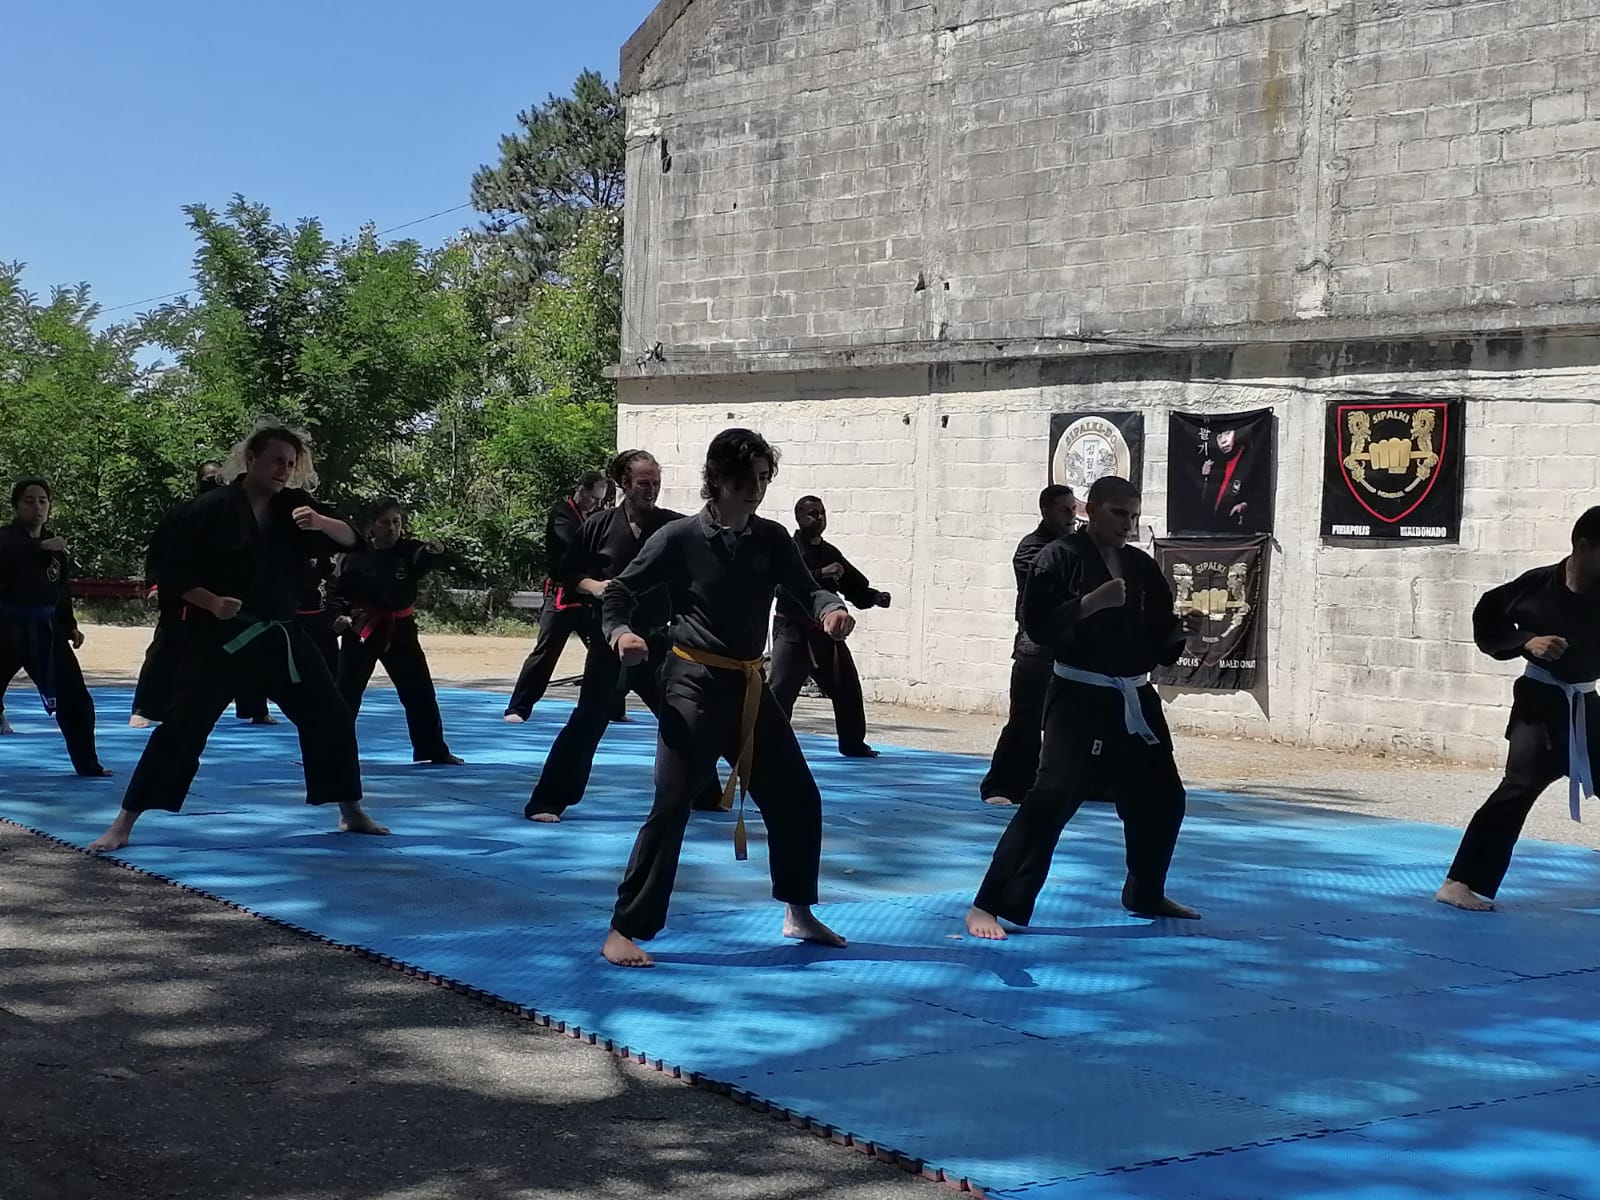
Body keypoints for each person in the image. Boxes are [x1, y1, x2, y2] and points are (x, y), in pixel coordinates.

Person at [598, 428, 854, 968]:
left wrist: (830, 608)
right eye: (745, 480)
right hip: (692, 683)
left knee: (797, 796)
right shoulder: (679, 538)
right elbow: (620, 590)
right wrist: (621, 633)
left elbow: (807, 588)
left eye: (763, 478)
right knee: (673, 803)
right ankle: (625, 928)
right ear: (716, 479)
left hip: (748, 685)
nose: (755, 490)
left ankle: (798, 912)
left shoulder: (772, 538)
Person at [88, 425, 387, 853]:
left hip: (281, 636)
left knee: (331, 715)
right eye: (276, 460)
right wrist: (210, 602)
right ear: (251, 459)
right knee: (183, 726)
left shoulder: (295, 507)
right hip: (221, 637)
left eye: (291, 463)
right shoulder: (208, 509)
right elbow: (170, 572)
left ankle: (350, 810)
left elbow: (353, 541)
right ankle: (123, 823)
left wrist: (321, 521)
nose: (284, 470)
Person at [966, 476, 1201, 940]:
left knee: (1164, 797)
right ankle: (988, 904)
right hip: (1079, 697)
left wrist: (1181, 631)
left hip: (1134, 697)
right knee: (1052, 799)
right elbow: (1037, 624)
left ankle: (1145, 891)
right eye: (1118, 513)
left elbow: (1157, 638)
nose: (1127, 524)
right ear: (1090, 510)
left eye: (1134, 515)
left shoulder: (1140, 566)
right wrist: (1089, 604)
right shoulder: (1058, 557)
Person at [525, 450, 723, 821]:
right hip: (611, 641)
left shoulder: (674, 527)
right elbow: (566, 573)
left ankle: (705, 792)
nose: (651, 490)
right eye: (644, 483)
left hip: (660, 642)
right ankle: (547, 801)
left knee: (682, 717)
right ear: (624, 484)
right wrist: (596, 587)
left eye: (656, 483)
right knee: (589, 719)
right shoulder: (598, 526)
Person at [1436, 508, 1600, 911]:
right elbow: (1487, 616)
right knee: (1517, 789)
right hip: (1539, 705)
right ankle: (1459, 883)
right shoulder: (1535, 587)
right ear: (1583, 547)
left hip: (1585, 704)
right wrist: (1526, 641)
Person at [130, 461, 277, 728]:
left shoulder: (243, 514)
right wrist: (155, 586)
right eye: (209, 479)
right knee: (164, 652)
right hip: (187, 596)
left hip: (232, 599)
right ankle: (145, 708)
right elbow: (160, 553)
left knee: (249, 651)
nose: (214, 484)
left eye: (219, 479)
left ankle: (254, 707)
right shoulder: (183, 513)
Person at [333, 497, 462, 766]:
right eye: (384, 522)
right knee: (346, 694)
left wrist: (433, 551)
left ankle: (432, 750)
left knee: (419, 692)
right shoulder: (355, 554)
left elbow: (421, 558)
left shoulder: (408, 550)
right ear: (371, 526)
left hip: (401, 629)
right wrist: (341, 614)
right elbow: (337, 590)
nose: (391, 527)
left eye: (396, 521)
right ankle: (331, 752)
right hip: (363, 627)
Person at [0, 479, 112, 777]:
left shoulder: (55, 547)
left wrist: (70, 625)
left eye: (42, 501)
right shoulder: (5, 539)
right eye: (29, 501)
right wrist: (38, 547)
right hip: (6, 628)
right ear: (15, 506)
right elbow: (10, 552)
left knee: (75, 699)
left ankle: (88, 764)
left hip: (46, 630)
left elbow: (61, 590)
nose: (37, 507)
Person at [768, 495, 891, 758]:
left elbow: (853, 586)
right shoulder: (789, 550)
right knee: (780, 692)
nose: (819, 518)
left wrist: (874, 597)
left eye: (822, 513)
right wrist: (820, 574)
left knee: (847, 685)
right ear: (799, 518)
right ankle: (768, 747)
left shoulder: (830, 553)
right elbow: (779, 587)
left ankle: (852, 743)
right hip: (792, 631)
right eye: (812, 514)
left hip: (825, 633)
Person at [979, 484, 1077, 805]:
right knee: (1027, 717)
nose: (1071, 516)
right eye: (1064, 510)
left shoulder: (1077, 547)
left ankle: (1085, 782)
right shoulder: (1031, 549)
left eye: (1073, 510)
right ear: (1046, 511)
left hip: (1070, 644)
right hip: (1036, 644)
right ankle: (1003, 785)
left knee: (1079, 718)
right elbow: (1059, 579)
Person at [504, 472, 622, 724]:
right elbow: (576, 543)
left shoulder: (595, 518)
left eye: (600, 501)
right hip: (563, 593)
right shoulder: (562, 515)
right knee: (546, 652)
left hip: (590, 596)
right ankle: (518, 708)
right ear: (581, 490)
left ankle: (614, 707)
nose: (595, 504)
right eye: (593, 498)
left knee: (606, 651)